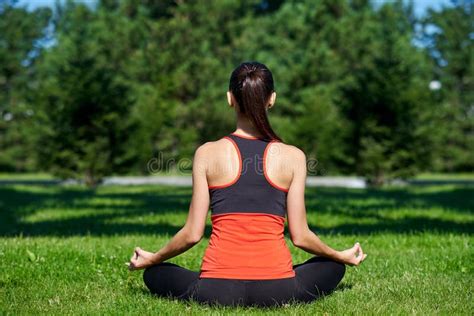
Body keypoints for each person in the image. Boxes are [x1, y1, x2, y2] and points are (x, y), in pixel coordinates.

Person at [127, 61, 367, 308]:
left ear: (230, 98)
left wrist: (153, 259)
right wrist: (340, 255)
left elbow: (192, 234)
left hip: (217, 290)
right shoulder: (294, 157)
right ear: (272, 99)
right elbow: (301, 236)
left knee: (154, 273)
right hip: (278, 289)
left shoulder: (207, 153)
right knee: (332, 266)